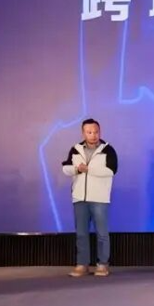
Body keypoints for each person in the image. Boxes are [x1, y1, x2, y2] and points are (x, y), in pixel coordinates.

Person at [61, 118, 118, 277]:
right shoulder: (75, 149)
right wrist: (77, 169)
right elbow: (65, 168)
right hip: (79, 197)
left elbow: (111, 170)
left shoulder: (108, 150)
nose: (93, 135)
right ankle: (82, 264)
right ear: (83, 133)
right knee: (81, 233)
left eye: (96, 132)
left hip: (100, 198)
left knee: (102, 233)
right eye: (89, 132)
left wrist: (89, 170)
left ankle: (103, 264)